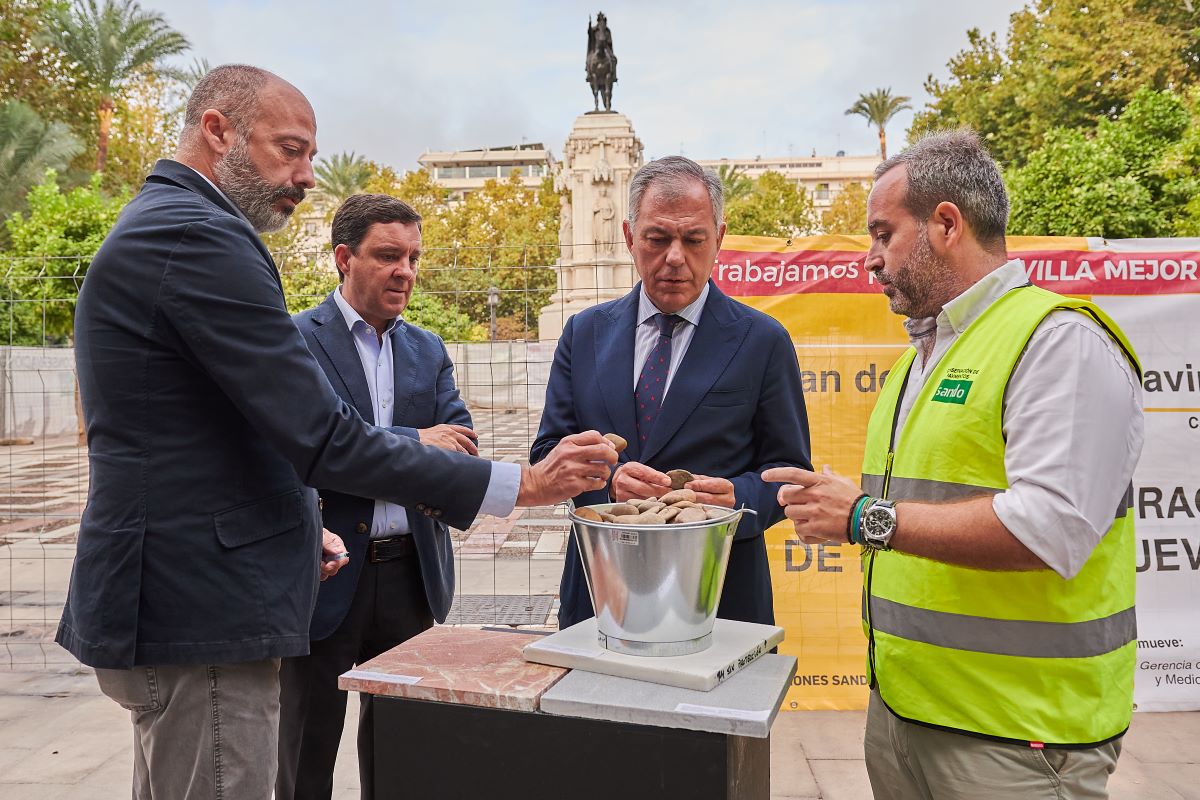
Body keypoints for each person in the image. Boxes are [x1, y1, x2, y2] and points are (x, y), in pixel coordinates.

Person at [58, 64, 616, 799]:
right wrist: (525, 483)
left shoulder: (170, 224)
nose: (306, 176)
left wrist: (297, 522)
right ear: (217, 131)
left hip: (199, 601)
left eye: (311, 155)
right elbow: (324, 438)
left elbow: (221, 434)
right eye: (289, 150)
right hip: (202, 612)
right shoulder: (200, 236)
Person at [764, 130, 1143, 799]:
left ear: (945, 224)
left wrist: (863, 518)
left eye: (884, 234)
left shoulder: (1058, 342)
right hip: (908, 717)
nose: (871, 260)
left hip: (1021, 740)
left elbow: (1051, 528)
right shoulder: (919, 360)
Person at [532, 155, 812, 630]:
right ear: (629, 237)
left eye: (694, 239)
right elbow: (547, 452)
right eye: (657, 239)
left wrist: (735, 499)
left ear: (719, 238)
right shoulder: (584, 334)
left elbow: (789, 473)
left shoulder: (763, 341)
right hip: (601, 596)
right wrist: (608, 482)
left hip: (718, 598)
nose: (675, 257)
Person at [276, 194, 476, 799]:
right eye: (389, 255)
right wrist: (416, 442)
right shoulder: (295, 341)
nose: (405, 271)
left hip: (411, 577)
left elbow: (461, 447)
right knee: (305, 756)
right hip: (327, 574)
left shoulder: (428, 349)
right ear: (344, 257)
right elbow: (304, 448)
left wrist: (402, 450)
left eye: (413, 257)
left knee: (403, 759)